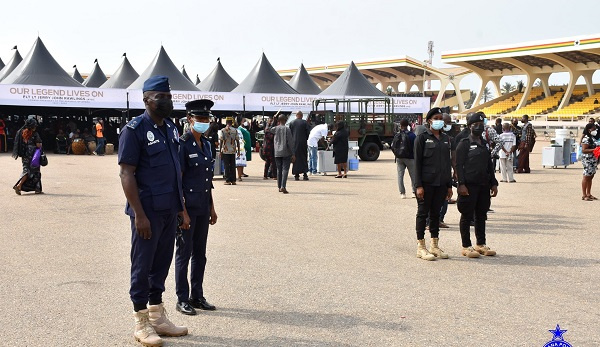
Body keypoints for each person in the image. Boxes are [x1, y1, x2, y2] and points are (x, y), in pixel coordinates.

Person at [118, 76, 188, 346]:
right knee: (142, 266)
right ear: (146, 100)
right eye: (161, 97)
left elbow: (175, 174)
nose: (167, 101)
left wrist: (181, 209)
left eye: (169, 96)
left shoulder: (170, 128)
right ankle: (141, 322)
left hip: (169, 209)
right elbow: (126, 173)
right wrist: (139, 215)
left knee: (161, 264)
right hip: (147, 213)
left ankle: (158, 316)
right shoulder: (133, 130)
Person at [175, 100, 219, 316]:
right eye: (200, 118)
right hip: (187, 209)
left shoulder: (208, 144)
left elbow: (207, 180)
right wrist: (182, 212)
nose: (204, 122)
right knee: (184, 253)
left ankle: (197, 295)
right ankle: (182, 298)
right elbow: (178, 181)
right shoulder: (182, 144)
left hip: (202, 206)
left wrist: (212, 207)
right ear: (189, 119)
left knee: (200, 254)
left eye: (206, 119)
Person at [455, 112, 499, 258]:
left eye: (481, 125)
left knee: (481, 215)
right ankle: (466, 246)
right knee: (466, 215)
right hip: (469, 186)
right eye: (476, 125)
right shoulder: (464, 143)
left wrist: (493, 183)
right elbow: (458, 165)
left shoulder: (485, 143)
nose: (479, 127)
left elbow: (488, 165)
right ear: (469, 127)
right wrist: (461, 184)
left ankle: (480, 244)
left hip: (483, 185)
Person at [413, 107, 453, 261]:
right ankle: (421, 247)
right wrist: (418, 186)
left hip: (441, 183)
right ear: (429, 120)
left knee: (436, 214)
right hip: (426, 183)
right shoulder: (421, 138)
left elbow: (447, 163)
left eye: (440, 118)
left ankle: (434, 245)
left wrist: (449, 185)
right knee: (423, 214)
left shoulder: (446, 139)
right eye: (436, 118)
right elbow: (417, 164)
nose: (439, 121)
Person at [12, 118, 43, 195]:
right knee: (36, 171)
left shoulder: (21, 132)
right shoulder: (35, 134)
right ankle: (36, 189)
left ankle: (20, 185)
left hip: (24, 155)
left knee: (26, 170)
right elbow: (38, 145)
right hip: (34, 155)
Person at [269, 114, 295, 193]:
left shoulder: (275, 129)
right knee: (285, 169)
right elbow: (290, 142)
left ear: (278, 121)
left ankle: (279, 186)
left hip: (277, 152)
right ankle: (283, 186)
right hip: (286, 152)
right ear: (285, 120)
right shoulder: (287, 129)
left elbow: (268, 129)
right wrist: (293, 153)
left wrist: (274, 121)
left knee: (279, 169)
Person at [393, 118, 416, 199]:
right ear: (408, 125)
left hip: (399, 157)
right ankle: (414, 191)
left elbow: (393, 146)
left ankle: (402, 193)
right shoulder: (412, 135)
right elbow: (415, 147)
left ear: (400, 125)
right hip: (410, 157)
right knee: (413, 175)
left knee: (400, 175)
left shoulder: (397, 135)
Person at [289, 111, 310, 181]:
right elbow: (308, 133)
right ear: (301, 115)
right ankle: (305, 174)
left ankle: (296, 175)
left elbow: (290, 134)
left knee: (295, 158)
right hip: (303, 142)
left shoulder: (292, 123)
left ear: (296, 115)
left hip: (294, 143)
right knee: (304, 157)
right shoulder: (305, 123)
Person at [580, 123, 598, 201]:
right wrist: (594, 150)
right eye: (594, 129)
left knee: (591, 177)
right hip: (587, 160)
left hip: (593, 160)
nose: (595, 130)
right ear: (589, 129)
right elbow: (584, 150)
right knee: (586, 177)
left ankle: (589, 193)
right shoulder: (586, 138)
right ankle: (584, 195)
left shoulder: (592, 138)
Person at [219, 117, 240, 185]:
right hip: (233, 150)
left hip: (225, 150)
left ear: (226, 122)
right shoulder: (235, 130)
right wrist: (238, 150)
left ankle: (227, 180)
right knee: (233, 165)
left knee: (226, 165)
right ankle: (233, 180)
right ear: (232, 122)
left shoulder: (223, 130)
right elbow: (237, 141)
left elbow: (221, 141)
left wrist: (220, 151)